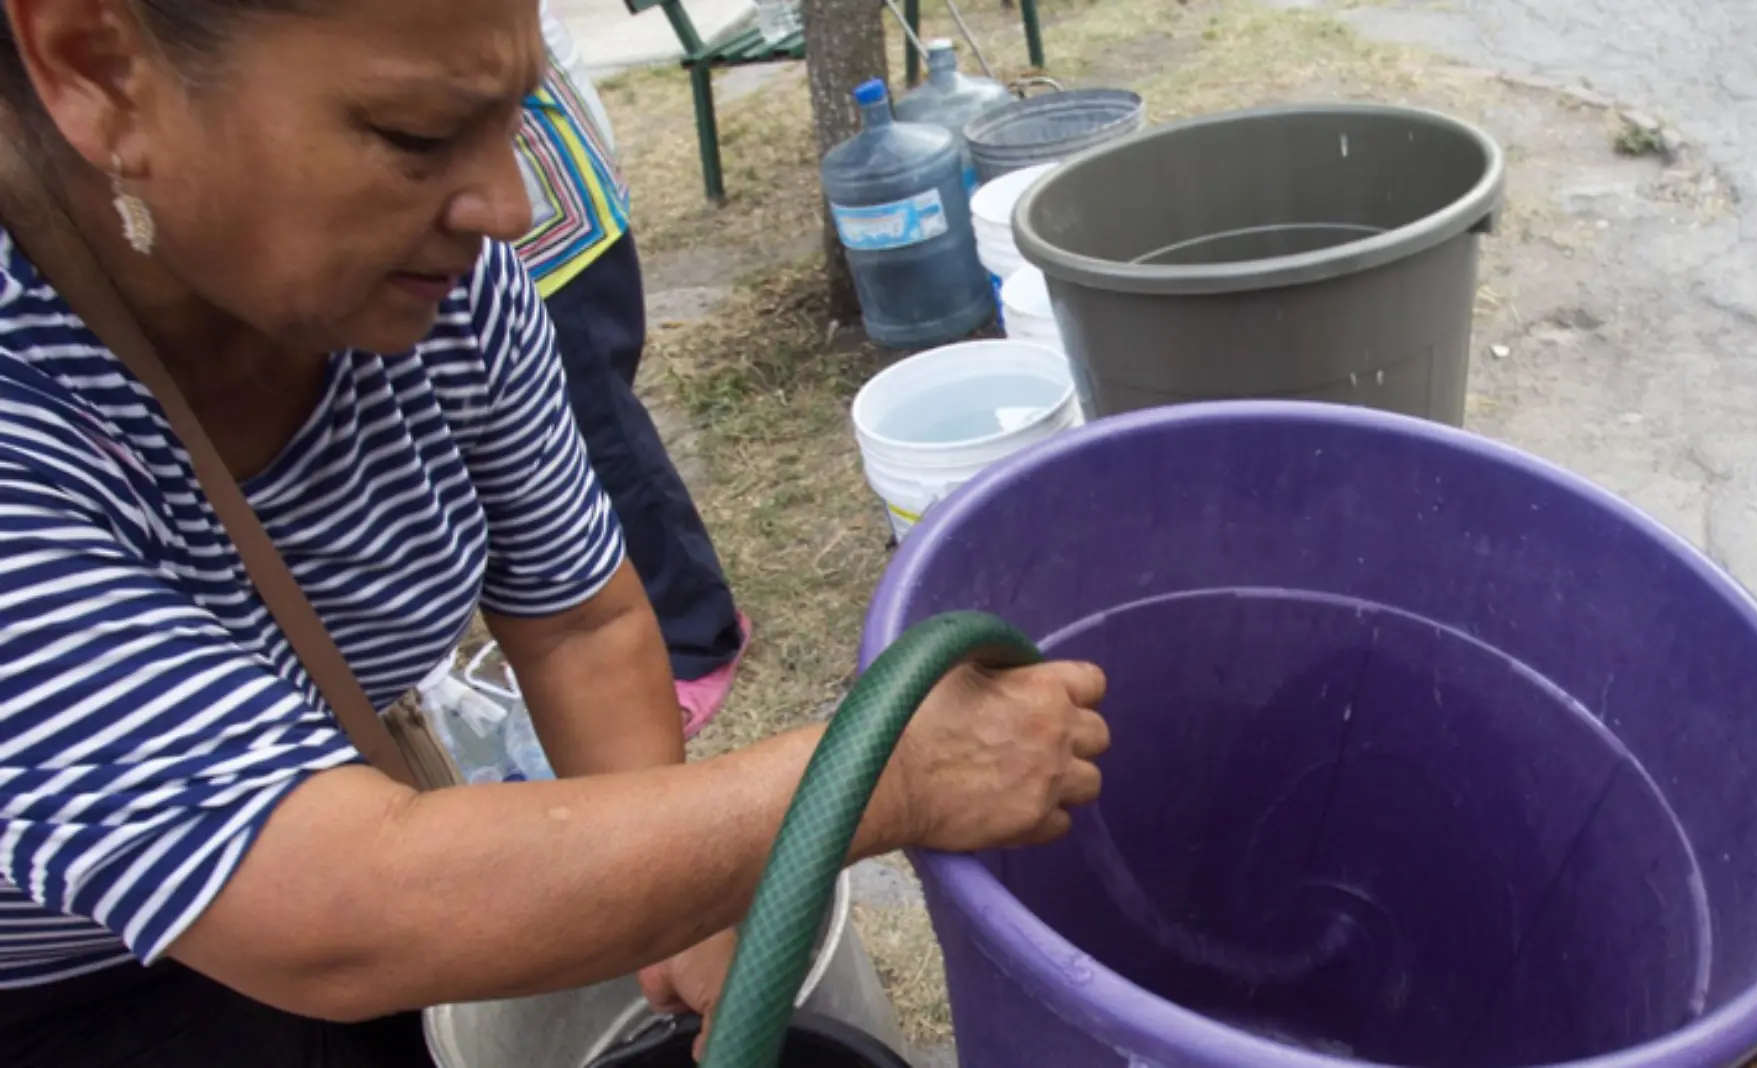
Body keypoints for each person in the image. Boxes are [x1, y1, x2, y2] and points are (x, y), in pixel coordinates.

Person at [0, 1, 1111, 1065]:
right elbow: (325, 900)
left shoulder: (442, 284)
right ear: (98, 66)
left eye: (514, 118)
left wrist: (683, 908)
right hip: (70, 997)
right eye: (416, 134)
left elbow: (578, 620)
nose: (508, 207)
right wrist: (881, 778)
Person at [516, 5, 750, 736]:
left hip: (553, 235)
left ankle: (699, 635)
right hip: (525, 233)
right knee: (558, 445)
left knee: (604, 437)